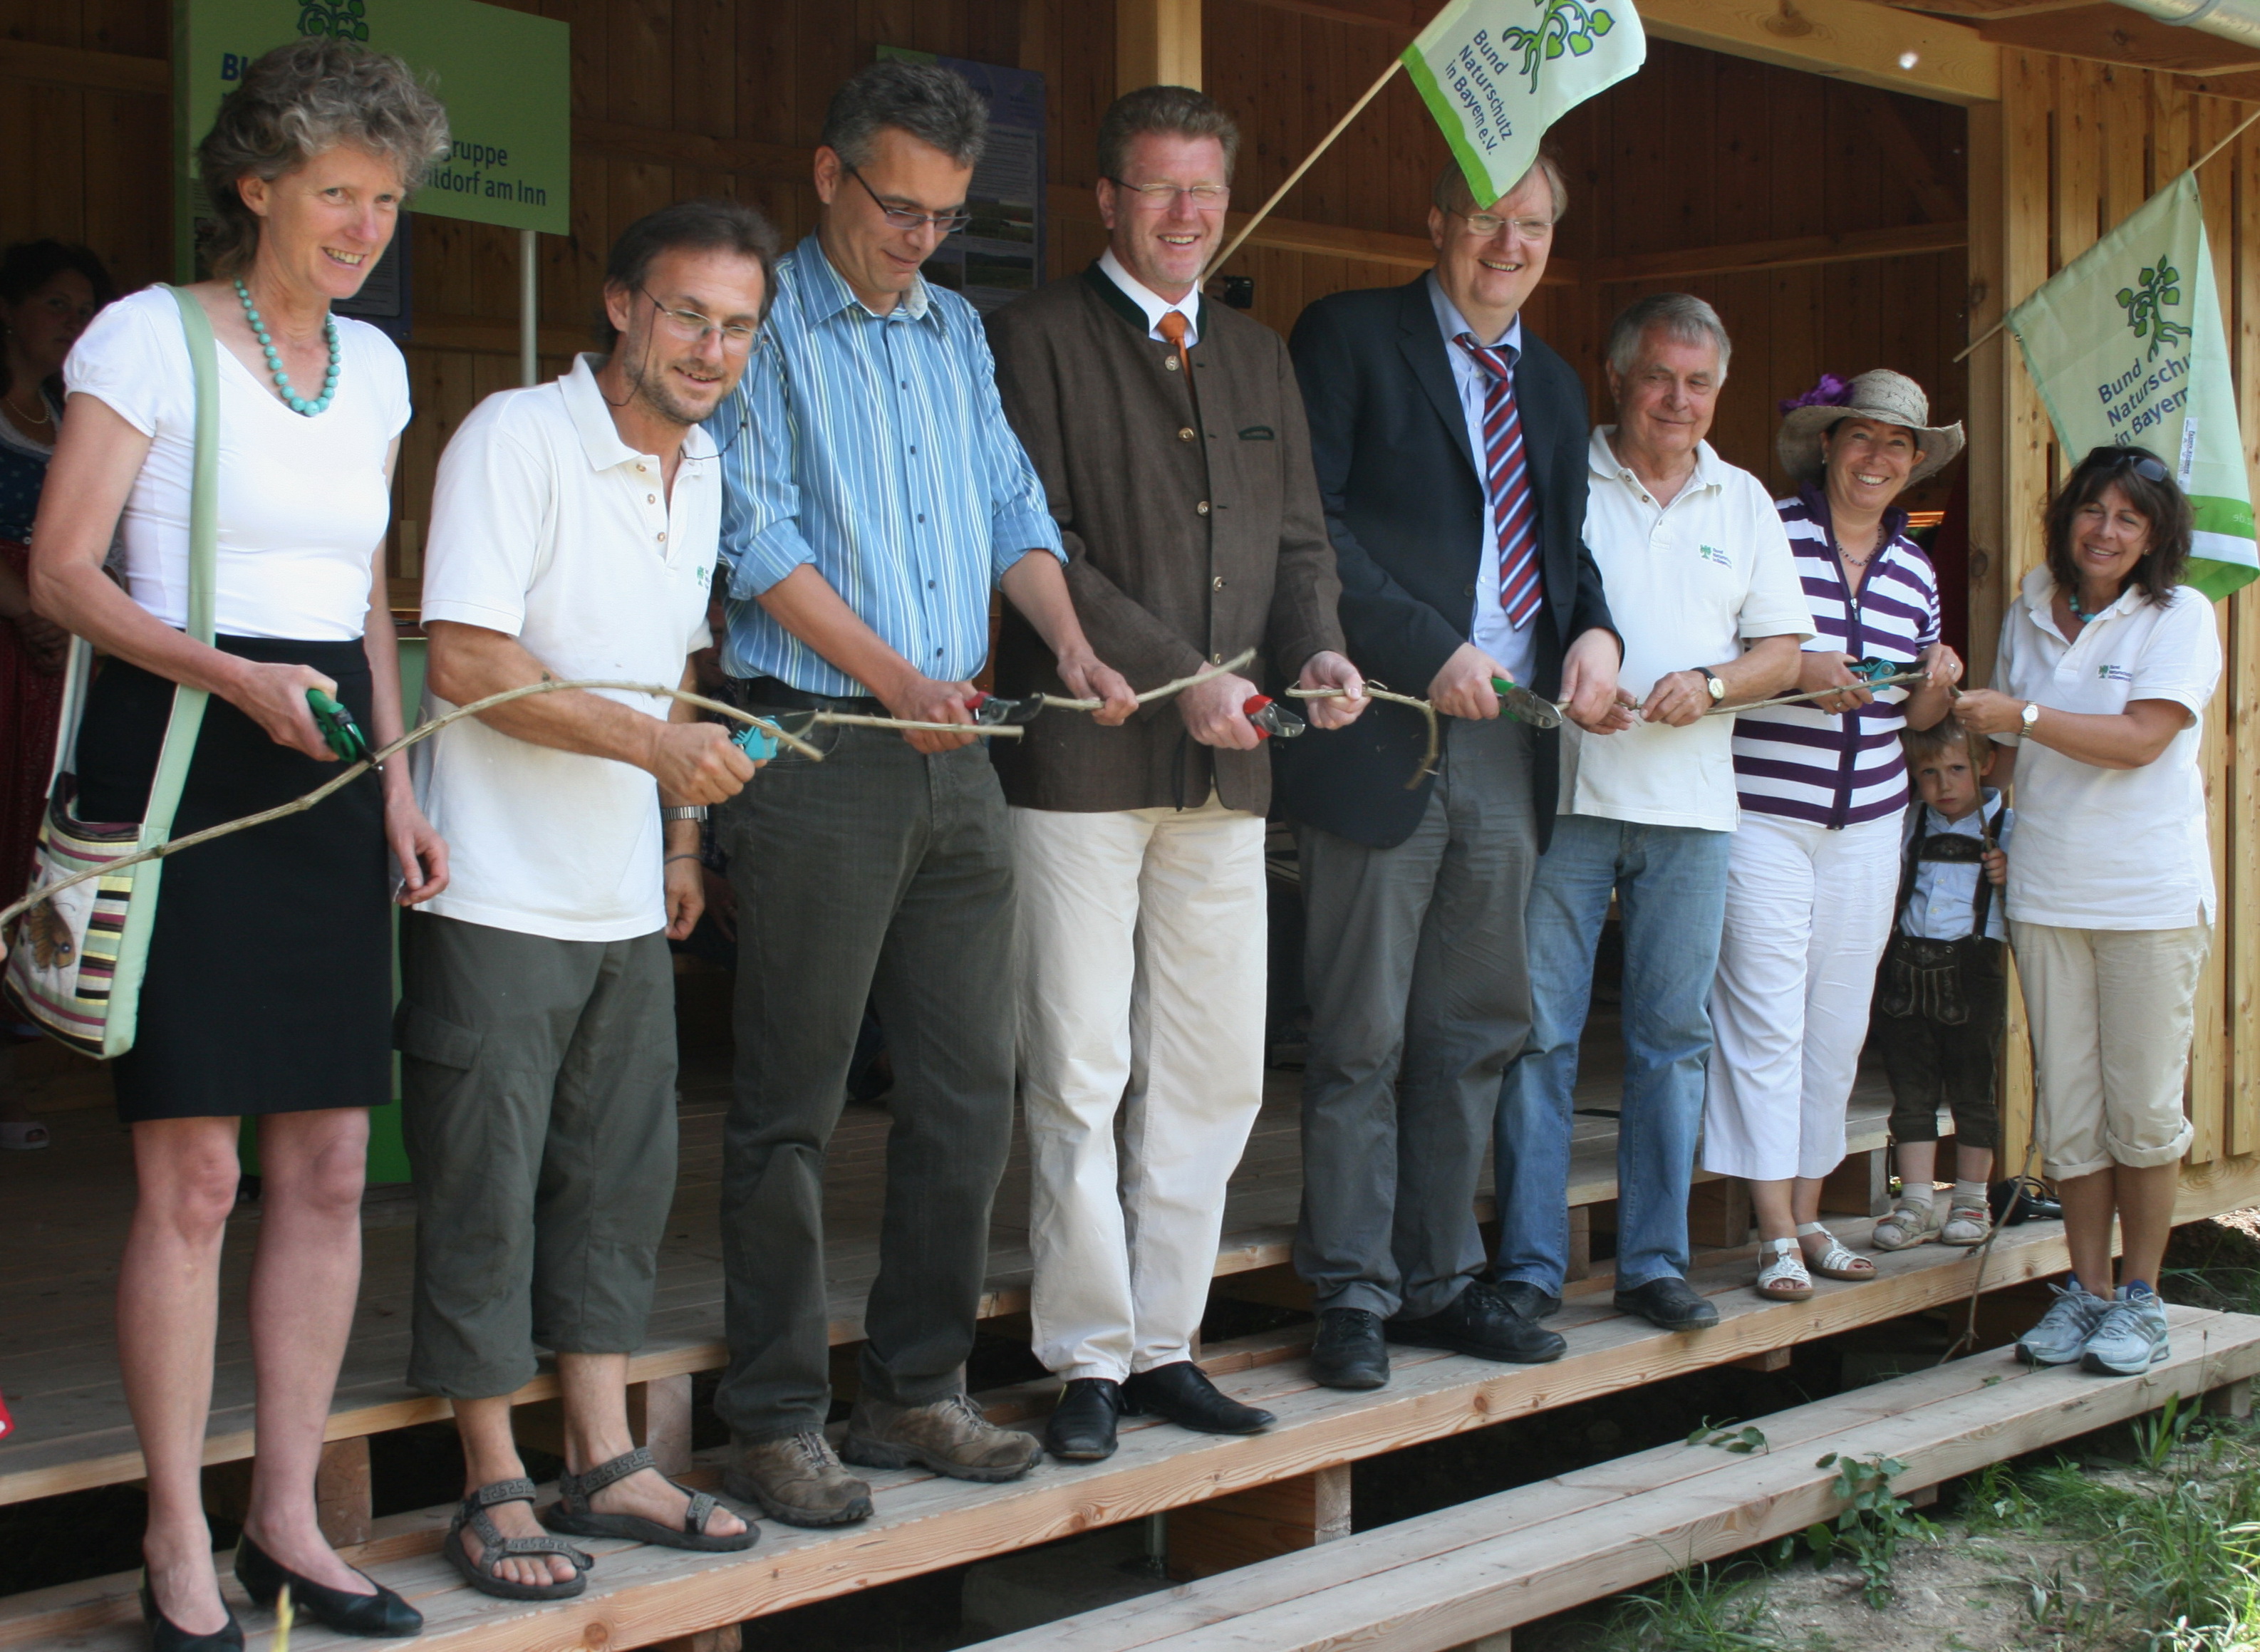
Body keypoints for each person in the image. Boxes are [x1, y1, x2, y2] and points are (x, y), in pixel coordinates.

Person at [30, 39, 449, 1648]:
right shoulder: (147, 335)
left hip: (329, 753)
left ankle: (287, 1517)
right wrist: (231, 678)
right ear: (255, 181)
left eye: (386, 199)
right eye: (336, 191)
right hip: (188, 746)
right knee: (195, 1174)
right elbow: (64, 573)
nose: (363, 225)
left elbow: (366, 595)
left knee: (332, 1167)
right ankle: (173, 1530)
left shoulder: (383, 371)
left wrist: (400, 783)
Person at [704, 60, 1134, 1525]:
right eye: (899, 205)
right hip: (822, 742)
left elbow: (1015, 506)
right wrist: (893, 676)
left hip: (962, 741)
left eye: (947, 214)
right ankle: (770, 1413)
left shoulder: (954, 328)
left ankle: (914, 1387)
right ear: (828, 175)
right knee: (794, 1101)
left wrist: (1067, 637)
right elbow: (749, 539)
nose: (922, 238)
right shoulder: (755, 326)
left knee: (966, 1089)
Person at [985, 86, 1366, 1460]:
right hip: (1080, 761)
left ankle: (1165, 1341)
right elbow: (1037, 541)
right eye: (1158, 189)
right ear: (1105, 199)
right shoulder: (1025, 337)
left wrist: (1318, 654)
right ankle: (1087, 1355)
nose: (1185, 215)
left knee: (1211, 1073)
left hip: (1232, 770)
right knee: (1081, 1067)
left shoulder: (1260, 355)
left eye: (1204, 189)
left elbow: (1302, 549)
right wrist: (1177, 673)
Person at [403, 200, 772, 1599]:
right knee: (486, 1186)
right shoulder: (517, 434)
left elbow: (677, 665)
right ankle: (492, 1476)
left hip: (623, 893)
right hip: (491, 887)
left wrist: (678, 837)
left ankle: (606, 1456)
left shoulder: (708, 465)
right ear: (620, 304)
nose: (710, 347)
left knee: (619, 1181)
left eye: (735, 326)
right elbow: (465, 656)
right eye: (686, 313)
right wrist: (653, 750)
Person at [1280, 155, 1624, 1392]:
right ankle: (1352, 1292)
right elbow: (1311, 526)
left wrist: (1598, 633)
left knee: (1473, 1026)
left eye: (1531, 223)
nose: (1506, 242)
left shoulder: (1557, 381)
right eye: (1486, 217)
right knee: (1362, 1032)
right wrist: (1431, 647)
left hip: (1506, 739)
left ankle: (1435, 1277)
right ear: (1435, 221)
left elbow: (1567, 558)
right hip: (1380, 722)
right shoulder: (1349, 336)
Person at [1491, 293, 1810, 1334]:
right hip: (1566, 796)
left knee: (1673, 1041)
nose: (1679, 399)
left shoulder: (1744, 498)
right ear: (1618, 376)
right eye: (1661, 376)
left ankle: (1654, 1263)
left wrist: (1714, 686)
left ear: (1719, 390)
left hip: (1693, 809)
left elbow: (1784, 652)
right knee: (1540, 1036)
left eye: (1700, 382)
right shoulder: (1558, 467)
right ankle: (1531, 1264)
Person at [1955, 445, 2222, 1377]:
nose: (2106, 531)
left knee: (2142, 1107)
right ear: (2068, 516)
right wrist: (1971, 795)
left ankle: (2143, 1297)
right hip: (2045, 887)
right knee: (2070, 1108)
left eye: (2130, 518)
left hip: (2147, 893)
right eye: (2093, 511)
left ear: (2154, 537)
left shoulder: (2181, 615)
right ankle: (2087, 1290)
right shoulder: (2030, 607)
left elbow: (2143, 739)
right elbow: (2000, 757)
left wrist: (2020, 716)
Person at [1699, 369, 1965, 1302]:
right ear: (1827, 443)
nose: (1878, 458)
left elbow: (1924, 717)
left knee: (1838, 1022)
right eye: (1863, 438)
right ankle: (1773, 1230)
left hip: (1872, 820)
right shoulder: (1770, 530)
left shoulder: (1916, 570)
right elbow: (1722, 657)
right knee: (1764, 1016)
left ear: (1914, 464)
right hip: (1765, 810)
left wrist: (1937, 676)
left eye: (1898, 446)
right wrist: (1800, 665)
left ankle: (1809, 1213)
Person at [0, 239, 112, 1153]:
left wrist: (63, 620)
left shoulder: (66, 417)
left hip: (55, 661)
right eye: (54, 306)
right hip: (9, 637)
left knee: (29, 841)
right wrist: (24, 602)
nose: (70, 325)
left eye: (85, 311)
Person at [1870, 717, 2011, 1251]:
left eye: (1957, 769)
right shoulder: (1909, 822)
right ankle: (1917, 1203)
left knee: (1974, 1090)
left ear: (1985, 763)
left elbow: (2033, 903)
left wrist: (2010, 874)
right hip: (1906, 968)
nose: (1944, 784)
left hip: (1973, 972)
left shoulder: (2008, 828)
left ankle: (1972, 1199)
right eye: (1929, 772)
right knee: (1911, 1091)